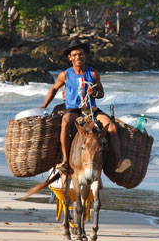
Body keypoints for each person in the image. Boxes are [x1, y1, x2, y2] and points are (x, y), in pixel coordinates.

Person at [41, 39, 131, 175]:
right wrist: (43, 106)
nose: (78, 57)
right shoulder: (65, 75)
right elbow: (53, 89)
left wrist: (94, 92)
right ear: (69, 57)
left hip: (91, 109)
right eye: (75, 55)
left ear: (85, 56)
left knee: (111, 127)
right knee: (65, 122)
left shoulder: (93, 73)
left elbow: (101, 93)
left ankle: (118, 162)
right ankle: (65, 161)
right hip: (73, 109)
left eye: (81, 54)